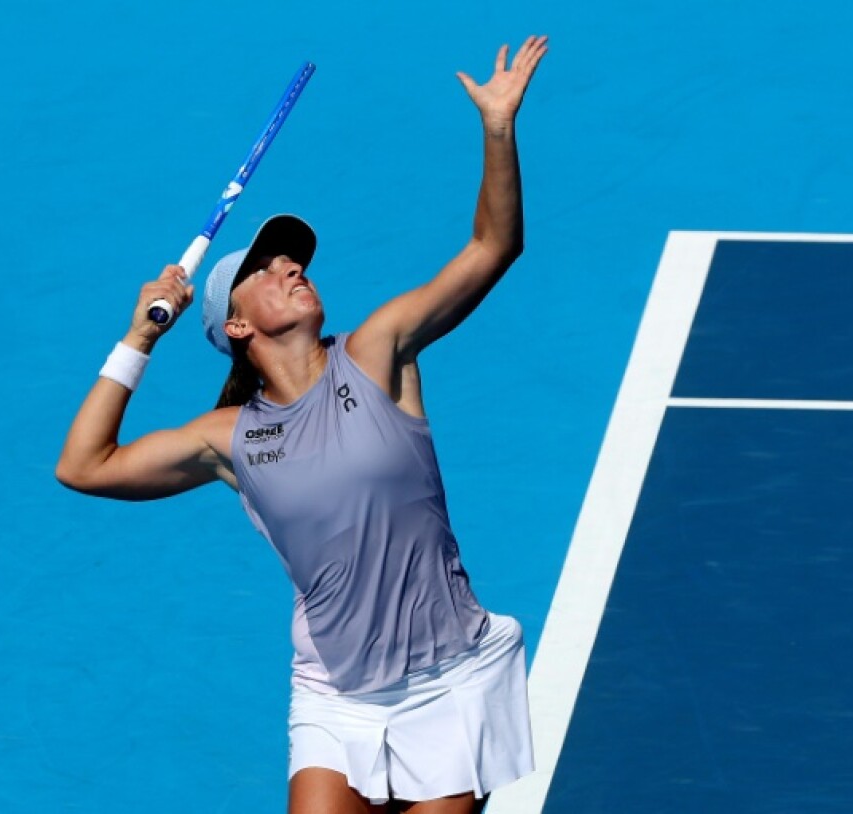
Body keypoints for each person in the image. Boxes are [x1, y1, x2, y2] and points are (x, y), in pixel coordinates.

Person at [56, 36, 548, 814]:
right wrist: (140, 338)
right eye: (266, 268)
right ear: (237, 327)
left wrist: (497, 127)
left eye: (293, 260)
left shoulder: (379, 351)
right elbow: (84, 466)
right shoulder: (229, 439)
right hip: (337, 694)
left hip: (448, 680)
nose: (291, 267)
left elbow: (495, 246)